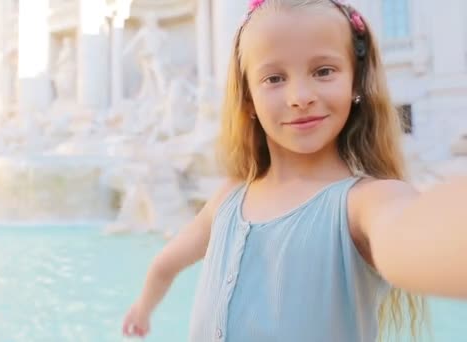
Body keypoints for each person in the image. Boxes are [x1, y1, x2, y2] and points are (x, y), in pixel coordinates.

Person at [122, 0, 467, 341]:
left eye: (323, 71)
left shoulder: (364, 204)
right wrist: (142, 308)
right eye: (274, 78)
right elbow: (166, 263)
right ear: (248, 99)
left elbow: (412, 229)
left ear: (357, 82)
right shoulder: (228, 197)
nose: (300, 96)